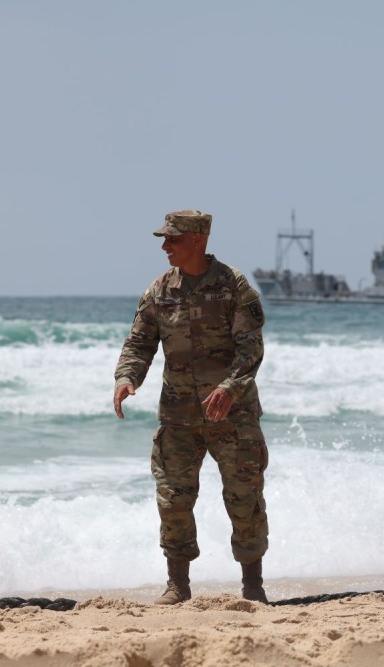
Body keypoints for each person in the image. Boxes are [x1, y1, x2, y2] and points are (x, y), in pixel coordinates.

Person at [113, 210, 270, 604]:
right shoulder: (160, 290)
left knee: (244, 499)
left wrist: (230, 388)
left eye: (173, 239)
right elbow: (139, 342)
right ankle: (177, 586)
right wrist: (126, 377)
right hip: (179, 416)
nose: (165, 246)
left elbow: (251, 348)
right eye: (164, 239)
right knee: (173, 500)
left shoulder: (233, 286)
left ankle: (252, 586)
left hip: (233, 416)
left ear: (198, 238)